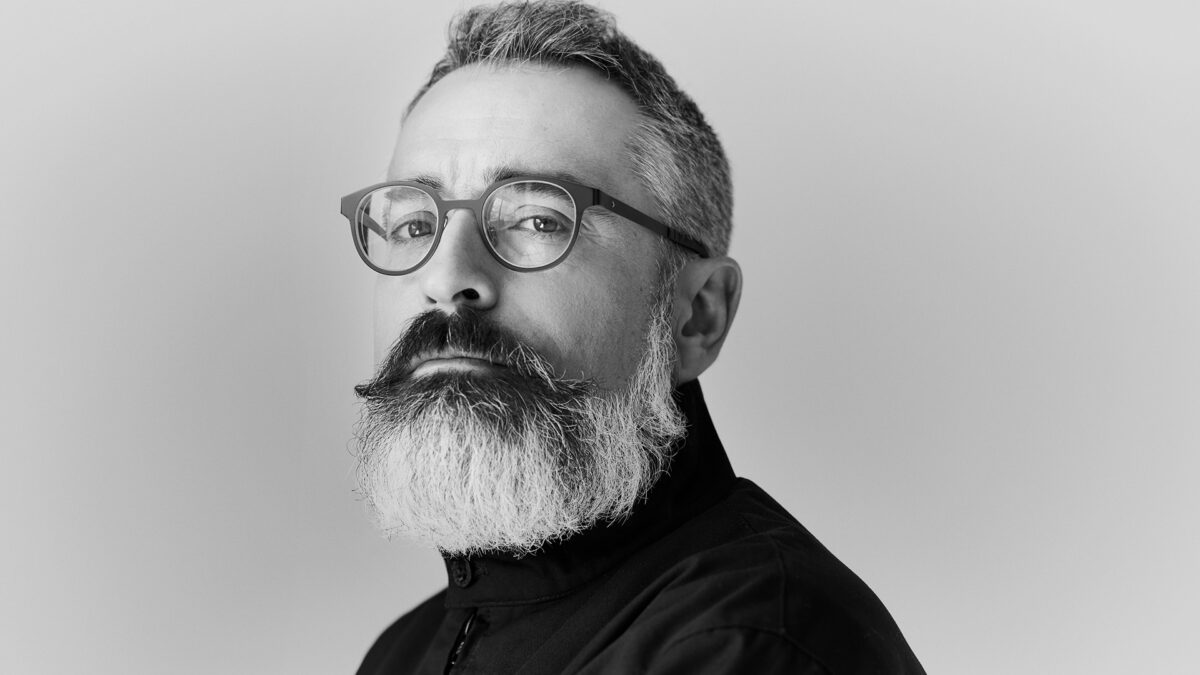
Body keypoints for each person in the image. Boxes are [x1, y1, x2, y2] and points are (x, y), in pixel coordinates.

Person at [341, 1, 925, 672]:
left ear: (697, 314)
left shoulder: (748, 643)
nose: (446, 278)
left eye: (538, 219)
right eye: (414, 226)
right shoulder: (401, 653)